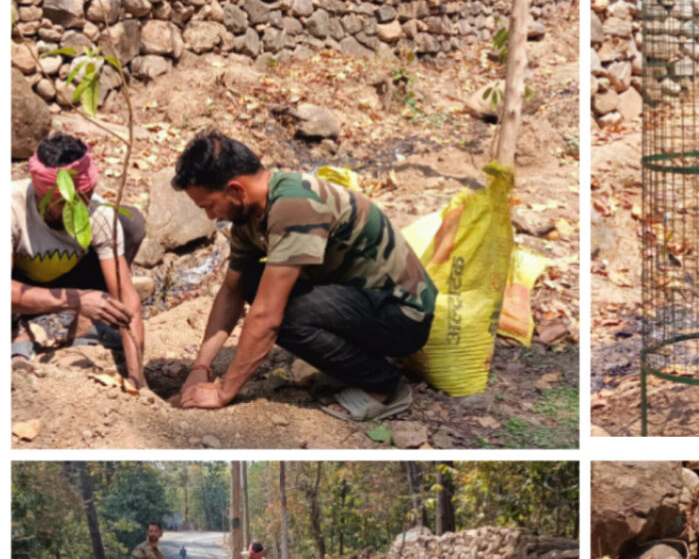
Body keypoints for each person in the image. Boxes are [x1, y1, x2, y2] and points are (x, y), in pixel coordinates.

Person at [170, 130, 436, 421]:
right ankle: (357, 362)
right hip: (362, 301)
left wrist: (224, 392)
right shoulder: (248, 218)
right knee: (251, 280)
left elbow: (267, 317)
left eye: (208, 205)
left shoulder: (294, 205)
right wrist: (201, 367)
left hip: (405, 314)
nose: (210, 216)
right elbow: (232, 290)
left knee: (282, 316)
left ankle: (383, 386)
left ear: (236, 190)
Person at [12, 133, 147, 389]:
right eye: (70, 202)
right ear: (47, 195)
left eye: (88, 195)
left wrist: (137, 379)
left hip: (68, 277)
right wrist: (77, 300)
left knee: (129, 223)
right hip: (18, 285)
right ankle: (18, 334)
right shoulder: (11, 207)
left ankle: (87, 325)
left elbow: (127, 299)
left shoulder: (98, 213)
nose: (82, 208)